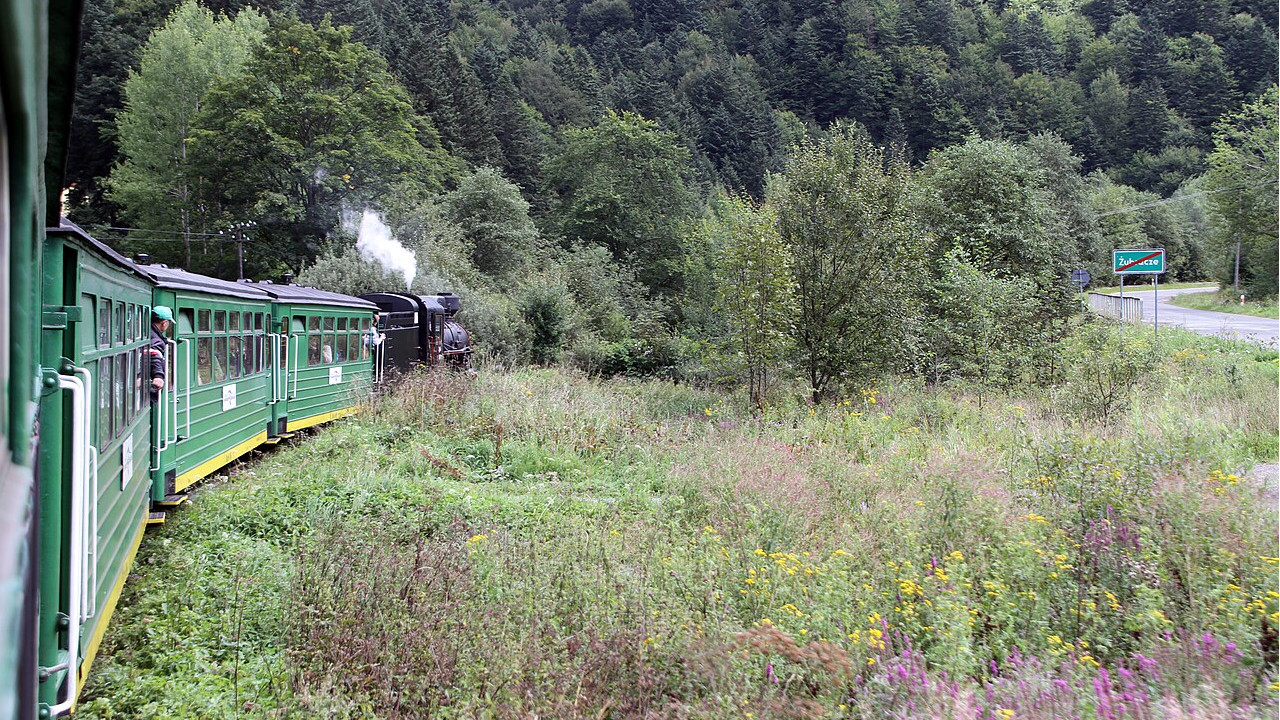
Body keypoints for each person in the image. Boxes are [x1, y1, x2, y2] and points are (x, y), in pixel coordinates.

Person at [148, 306, 173, 403]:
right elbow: (155, 355)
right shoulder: (156, 340)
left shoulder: (149, 332)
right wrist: (158, 376)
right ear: (164, 323)